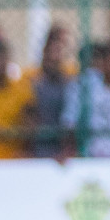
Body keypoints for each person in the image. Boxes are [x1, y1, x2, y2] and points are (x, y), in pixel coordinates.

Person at [29, 25, 75, 158]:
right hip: (40, 146)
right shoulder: (34, 85)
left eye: (58, 54)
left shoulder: (70, 85)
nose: (54, 59)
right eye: (51, 54)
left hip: (62, 148)